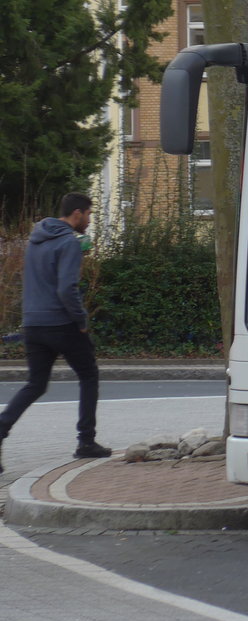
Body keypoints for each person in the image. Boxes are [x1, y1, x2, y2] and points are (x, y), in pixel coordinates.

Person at [0, 193, 111, 474]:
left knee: (35, 384)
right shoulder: (68, 243)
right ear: (77, 213)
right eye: (88, 214)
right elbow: (66, 289)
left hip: (33, 324)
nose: (89, 219)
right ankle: (86, 441)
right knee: (89, 375)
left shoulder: (35, 240)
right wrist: (81, 319)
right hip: (61, 323)